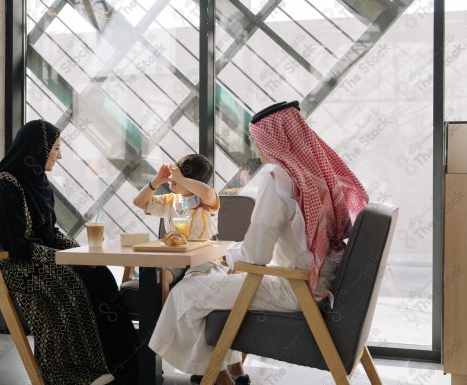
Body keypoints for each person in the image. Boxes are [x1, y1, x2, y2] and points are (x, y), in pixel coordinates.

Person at [148, 101, 369, 385]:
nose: (258, 148)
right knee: (206, 287)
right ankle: (221, 373)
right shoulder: (314, 176)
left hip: (297, 288)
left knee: (186, 292)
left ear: (273, 139)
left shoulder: (279, 177)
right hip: (319, 282)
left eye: (259, 140)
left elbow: (256, 253)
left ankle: (214, 378)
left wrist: (228, 257)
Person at [0, 119, 139, 385]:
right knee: (67, 281)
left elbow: (50, 235)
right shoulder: (5, 185)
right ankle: (74, 373)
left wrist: (84, 256)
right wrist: (68, 260)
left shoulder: (38, 183)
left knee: (100, 275)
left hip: (32, 260)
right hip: (2, 267)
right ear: (38, 149)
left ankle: (126, 364)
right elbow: (15, 246)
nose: (60, 155)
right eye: (56, 148)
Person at [132, 154, 227, 304]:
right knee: (160, 276)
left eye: (178, 173)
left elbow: (208, 192)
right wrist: (156, 181)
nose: (172, 177)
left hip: (204, 258)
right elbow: (138, 202)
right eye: (174, 172)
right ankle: (163, 321)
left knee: (191, 282)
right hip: (177, 258)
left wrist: (180, 178)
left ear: (192, 180)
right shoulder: (170, 200)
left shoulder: (206, 200)